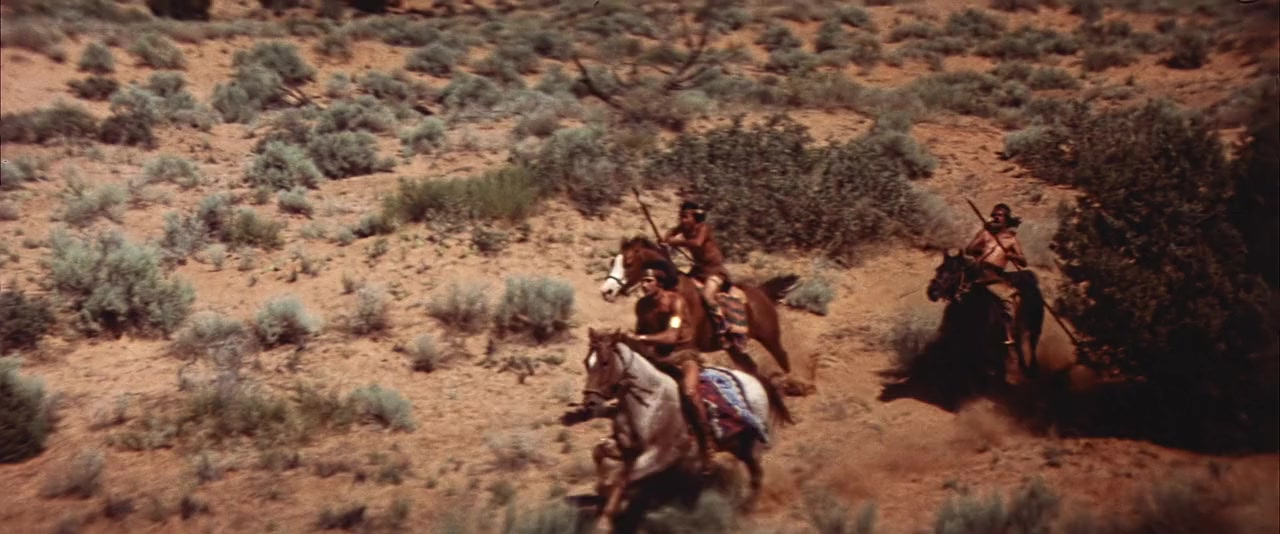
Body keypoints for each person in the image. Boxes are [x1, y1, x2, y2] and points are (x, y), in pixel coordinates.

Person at [630, 261, 715, 473]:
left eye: (648, 281)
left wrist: (641, 338)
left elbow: (671, 336)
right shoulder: (641, 306)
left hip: (684, 354)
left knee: (689, 392)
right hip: (658, 357)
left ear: (659, 283)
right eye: (642, 281)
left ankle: (707, 444)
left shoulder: (676, 301)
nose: (643, 285)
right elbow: (640, 334)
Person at [662, 201, 732, 338]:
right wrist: (666, 239)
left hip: (714, 270)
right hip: (698, 270)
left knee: (707, 296)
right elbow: (668, 237)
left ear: (695, 217)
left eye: (686, 217)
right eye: (681, 216)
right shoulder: (683, 228)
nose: (683, 220)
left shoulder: (704, 228)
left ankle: (723, 324)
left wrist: (676, 242)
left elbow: (697, 243)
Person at [964, 203, 1028, 345]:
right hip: (979, 271)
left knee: (1011, 300)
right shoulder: (986, 234)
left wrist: (1012, 256)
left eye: (1000, 215)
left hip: (994, 276)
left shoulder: (1011, 240)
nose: (996, 218)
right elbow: (969, 250)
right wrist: (982, 236)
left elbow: (1024, 262)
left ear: (1006, 219)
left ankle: (1010, 332)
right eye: (994, 215)